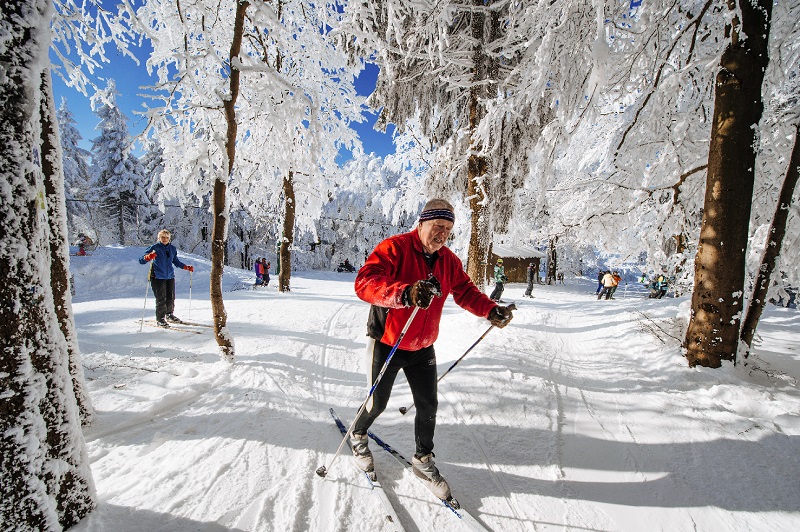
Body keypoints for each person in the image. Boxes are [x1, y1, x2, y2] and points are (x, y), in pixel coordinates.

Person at [351, 199, 514, 501]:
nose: (442, 234)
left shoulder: (448, 261)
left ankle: (423, 460)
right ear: (422, 223)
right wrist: (404, 293)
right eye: (438, 226)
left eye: (448, 230)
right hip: (388, 341)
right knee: (378, 403)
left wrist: (490, 310)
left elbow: (465, 291)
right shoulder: (395, 248)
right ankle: (358, 435)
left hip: (422, 347)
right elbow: (365, 282)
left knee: (428, 405)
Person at [139, 229, 194, 327]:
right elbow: (141, 259)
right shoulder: (155, 247)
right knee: (161, 298)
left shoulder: (172, 249)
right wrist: (148, 257)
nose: (165, 239)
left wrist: (185, 267)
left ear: (169, 239)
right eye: (162, 237)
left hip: (170, 276)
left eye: (167, 237)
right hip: (157, 276)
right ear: (159, 238)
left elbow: (176, 261)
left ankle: (169, 314)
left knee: (170, 297)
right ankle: (160, 319)